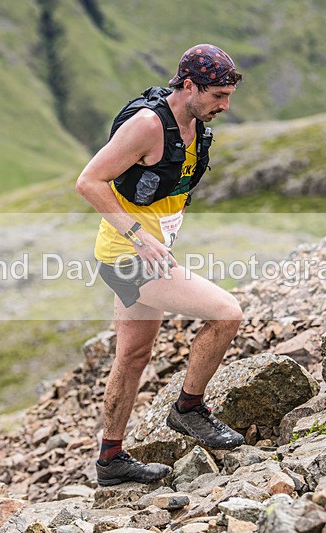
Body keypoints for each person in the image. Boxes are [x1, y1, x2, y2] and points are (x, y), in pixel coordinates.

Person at [75, 44, 246, 486]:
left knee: (132, 355)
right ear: (189, 85)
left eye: (229, 97)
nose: (225, 106)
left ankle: (110, 460)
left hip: (143, 253)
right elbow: (89, 181)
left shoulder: (195, 127)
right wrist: (139, 237)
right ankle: (189, 409)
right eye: (218, 96)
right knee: (227, 314)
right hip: (128, 257)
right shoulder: (148, 125)